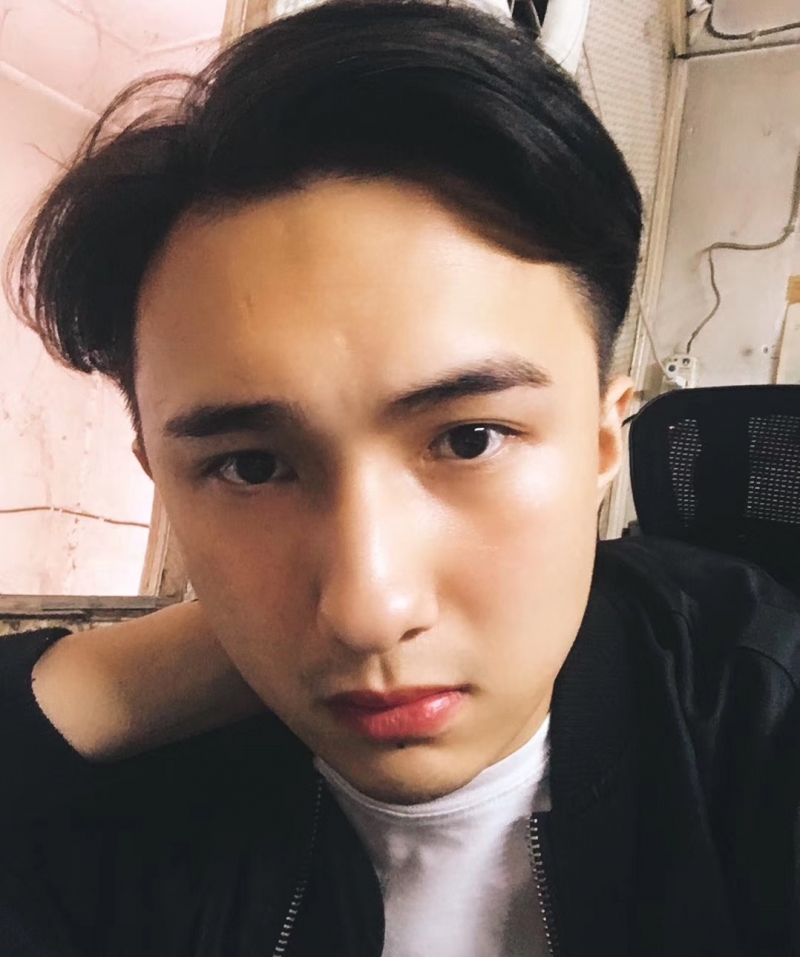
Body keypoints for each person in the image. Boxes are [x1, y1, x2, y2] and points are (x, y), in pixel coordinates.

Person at [1, 1, 798, 955]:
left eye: (469, 439)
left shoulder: (757, 730)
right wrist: (113, 687)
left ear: (600, 442)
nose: (368, 610)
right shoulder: (131, 814)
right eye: (250, 466)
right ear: (161, 481)